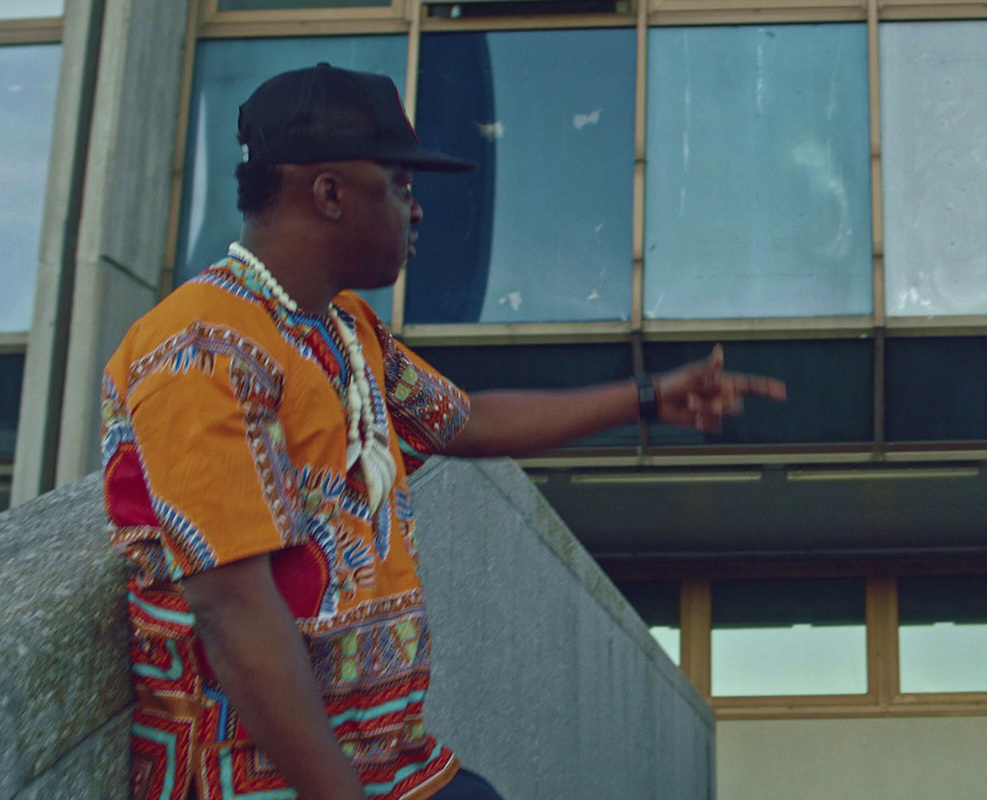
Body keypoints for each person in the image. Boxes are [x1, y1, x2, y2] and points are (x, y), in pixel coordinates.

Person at [102, 63, 784, 800]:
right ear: (328, 194)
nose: (416, 209)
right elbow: (233, 613)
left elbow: (467, 418)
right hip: (260, 782)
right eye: (399, 184)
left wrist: (648, 397)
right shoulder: (202, 345)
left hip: (395, 764)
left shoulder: (343, 327)